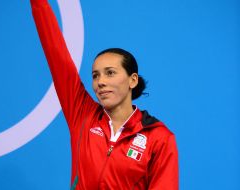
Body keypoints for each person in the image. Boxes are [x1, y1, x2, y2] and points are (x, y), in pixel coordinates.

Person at [30, 0, 179, 189]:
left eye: (110, 73)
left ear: (132, 80)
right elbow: (56, 53)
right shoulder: (82, 115)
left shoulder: (159, 137)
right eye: (95, 75)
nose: (100, 81)